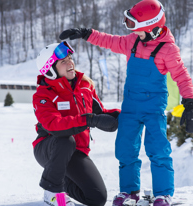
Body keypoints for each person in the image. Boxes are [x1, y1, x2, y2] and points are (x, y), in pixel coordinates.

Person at [59, 0, 193, 206]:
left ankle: (163, 193)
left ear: (151, 28)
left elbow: (182, 77)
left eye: (137, 29)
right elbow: (110, 41)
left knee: (157, 149)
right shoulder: (133, 41)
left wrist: (190, 101)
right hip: (130, 107)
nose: (133, 33)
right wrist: (87, 33)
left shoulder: (168, 49)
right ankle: (129, 192)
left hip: (153, 108)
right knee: (125, 148)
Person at [32, 41, 121, 206]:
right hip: (49, 148)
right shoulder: (43, 94)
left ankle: (62, 181)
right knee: (66, 139)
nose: (70, 63)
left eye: (70, 58)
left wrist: (124, 116)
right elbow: (53, 124)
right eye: (63, 61)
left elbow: (100, 112)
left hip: (77, 151)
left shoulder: (85, 86)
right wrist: (90, 120)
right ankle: (54, 193)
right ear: (50, 70)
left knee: (97, 198)